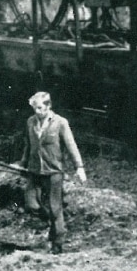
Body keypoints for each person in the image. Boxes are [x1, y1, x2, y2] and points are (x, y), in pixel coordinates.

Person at [19, 92, 87, 254]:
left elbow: (71, 145)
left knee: (55, 207)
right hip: (34, 170)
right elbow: (28, 146)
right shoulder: (30, 122)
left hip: (53, 172)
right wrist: (23, 164)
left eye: (40, 108)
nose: (37, 111)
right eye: (34, 108)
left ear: (48, 106)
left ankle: (58, 242)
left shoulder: (60, 123)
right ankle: (49, 220)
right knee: (31, 204)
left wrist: (79, 167)